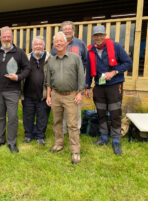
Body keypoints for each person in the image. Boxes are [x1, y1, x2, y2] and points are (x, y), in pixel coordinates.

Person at [85, 25, 132, 155]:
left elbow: (128, 62)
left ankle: (116, 140)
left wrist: (114, 72)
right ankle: (104, 137)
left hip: (114, 85)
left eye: (101, 35)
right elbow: (89, 71)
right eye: (96, 35)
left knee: (115, 112)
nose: (98, 37)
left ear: (105, 35)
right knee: (101, 112)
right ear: (93, 37)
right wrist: (87, 86)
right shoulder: (91, 51)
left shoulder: (115, 46)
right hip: (99, 86)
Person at [0, 26, 30, 153]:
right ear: (0, 38)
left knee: (12, 117)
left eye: (8, 36)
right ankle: (0, 140)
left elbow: (27, 68)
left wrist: (18, 77)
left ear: (12, 38)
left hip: (12, 90)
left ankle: (11, 142)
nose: (6, 39)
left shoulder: (19, 52)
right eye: (4, 36)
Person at [46, 32, 84, 164]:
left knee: (72, 124)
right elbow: (48, 80)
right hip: (55, 95)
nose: (59, 43)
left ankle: (75, 151)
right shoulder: (51, 60)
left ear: (66, 43)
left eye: (61, 41)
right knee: (57, 122)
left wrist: (80, 93)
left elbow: (81, 76)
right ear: (54, 44)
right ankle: (59, 143)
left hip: (71, 96)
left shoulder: (75, 58)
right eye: (56, 41)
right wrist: (49, 95)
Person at [51, 21, 87, 134]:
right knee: (62, 111)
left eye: (69, 29)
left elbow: (85, 61)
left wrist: (82, 86)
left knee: (75, 111)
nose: (67, 31)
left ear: (73, 30)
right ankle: (64, 131)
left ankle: (76, 131)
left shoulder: (80, 44)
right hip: (61, 85)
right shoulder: (56, 45)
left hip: (75, 85)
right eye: (64, 29)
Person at [21, 36, 51, 146]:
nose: (38, 46)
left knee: (42, 117)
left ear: (43, 46)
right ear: (32, 46)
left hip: (42, 95)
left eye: (40, 44)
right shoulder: (26, 58)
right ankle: (28, 135)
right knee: (28, 116)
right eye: (36, 44)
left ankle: (40, 136)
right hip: (28, 94)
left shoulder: (49, 59)